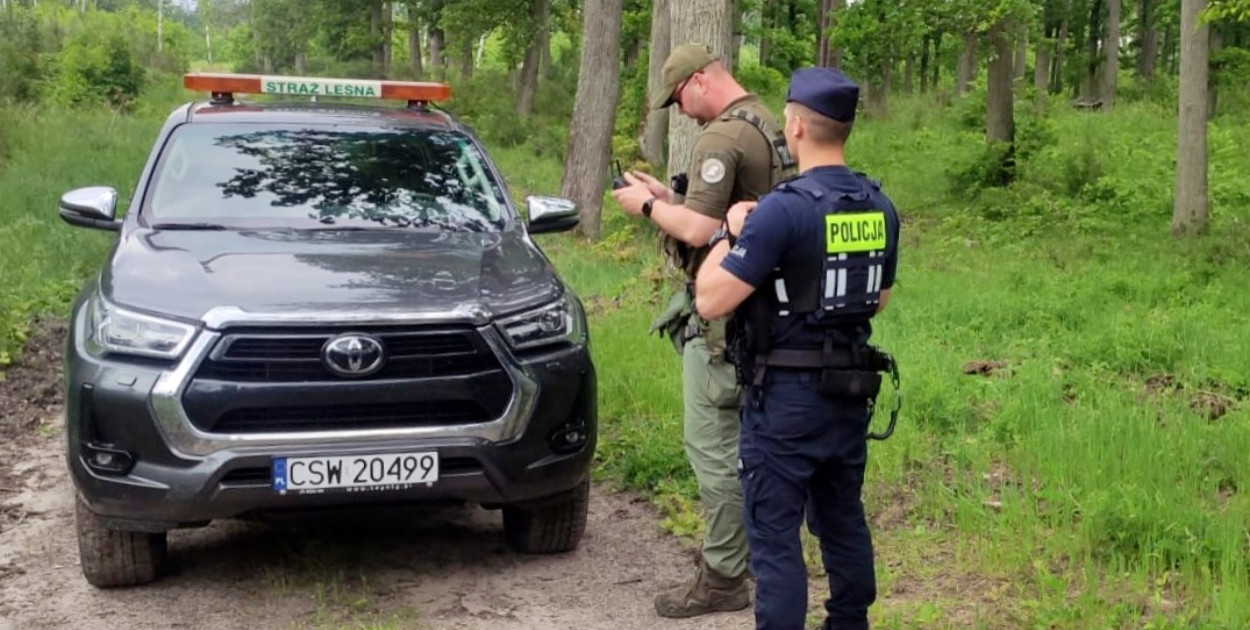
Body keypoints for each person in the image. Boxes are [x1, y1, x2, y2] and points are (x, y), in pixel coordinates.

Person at [693, 66, 902, 630]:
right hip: (849, 394)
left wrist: (728, 232)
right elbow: (877, 299)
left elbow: (710, 299)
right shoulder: (878, 207)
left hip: (784, 402)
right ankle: (850, 621)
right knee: (842, 518)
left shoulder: (782, 210)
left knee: (776, 537)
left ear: (796, 128)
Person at [611, 42, 796, 619]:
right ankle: (756, 556)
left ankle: (722, 577)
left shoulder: (721, 136)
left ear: (697, 82)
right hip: (771, 313)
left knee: (714, 448)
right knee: (755, 447)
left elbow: (697, 230)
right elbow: (724, 212)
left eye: (679, 100)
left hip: (725, 320)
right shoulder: (770, 125)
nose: (683, 113)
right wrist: (670, 196)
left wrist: (646, 207)